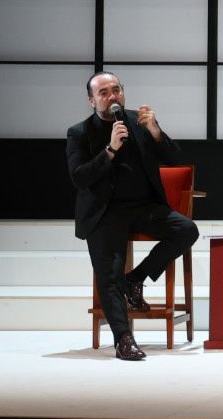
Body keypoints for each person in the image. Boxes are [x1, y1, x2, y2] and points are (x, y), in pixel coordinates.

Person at [67, 71, 199, 362]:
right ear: (92, 100)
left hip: (144, 207)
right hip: (105, 213)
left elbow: (176, 160)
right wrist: (111, 149)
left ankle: (136, 278)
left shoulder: (138, 122)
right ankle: (123, 339)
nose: (112, 96)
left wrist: (155, 131)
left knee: (187, 229)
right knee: (109, 273)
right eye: (104, 93)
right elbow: (79, 177)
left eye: (116, 90)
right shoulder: (80, 133)